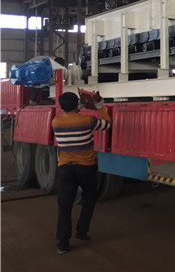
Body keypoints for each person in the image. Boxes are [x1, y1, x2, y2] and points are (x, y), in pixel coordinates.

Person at [51, 91, 111, 254]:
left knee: (65, 206)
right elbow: (107, 124)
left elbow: (72, 116)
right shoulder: (88, 120)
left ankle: (63, 243)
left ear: (61, 106)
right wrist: (99, 106)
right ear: (76, 104)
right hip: (86, 168)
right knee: (90, 198)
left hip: (65, 169)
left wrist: (79, 106)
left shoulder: (56, 122)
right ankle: (82, 231)